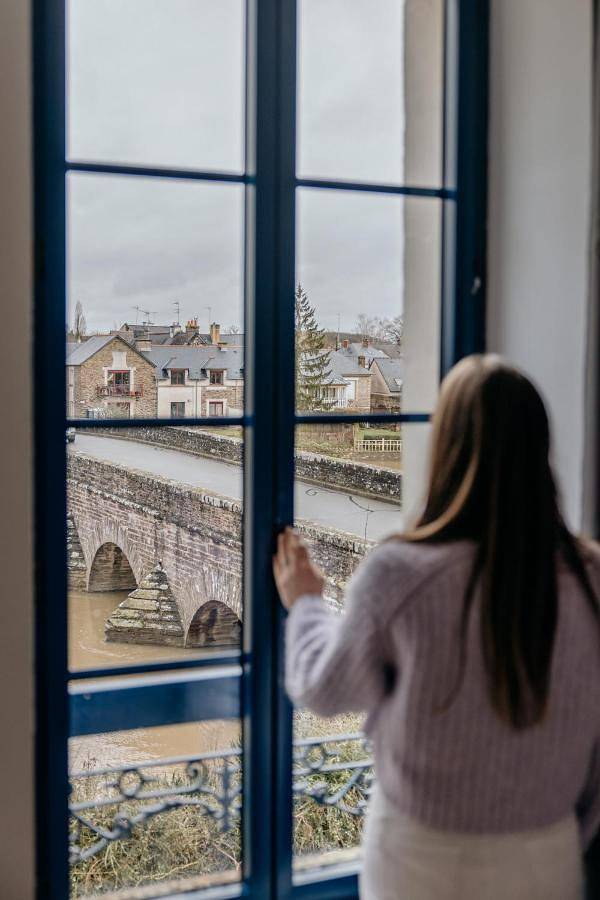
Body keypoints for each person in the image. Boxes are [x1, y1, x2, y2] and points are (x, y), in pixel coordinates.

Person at [273, 354, 600, 900]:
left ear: (446, 446)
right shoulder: (591, 581)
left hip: (421, 854)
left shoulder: (403, 574)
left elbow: (325, 689)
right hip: (547, 849)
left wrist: (306, 603)